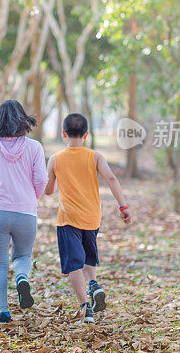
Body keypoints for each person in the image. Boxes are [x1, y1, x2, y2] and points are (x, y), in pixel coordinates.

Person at [44, 113, 132, 324]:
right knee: (88, 255)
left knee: (74, 264)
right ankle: (93, 283)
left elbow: (48, 190)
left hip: (68, 218)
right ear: (86, 134)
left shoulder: (55, 159)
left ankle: (85, 307)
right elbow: (111, 178)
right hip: (92, 216)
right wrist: (123, 206)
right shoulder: (95, 156)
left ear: (63, 133)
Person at [0, 100, 48, 323]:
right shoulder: (35, 147)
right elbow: (41, 180)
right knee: (23, 254)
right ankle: (22, 278)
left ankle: (3, 311)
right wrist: (31, 197)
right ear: (23, 120)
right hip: (26, 213)